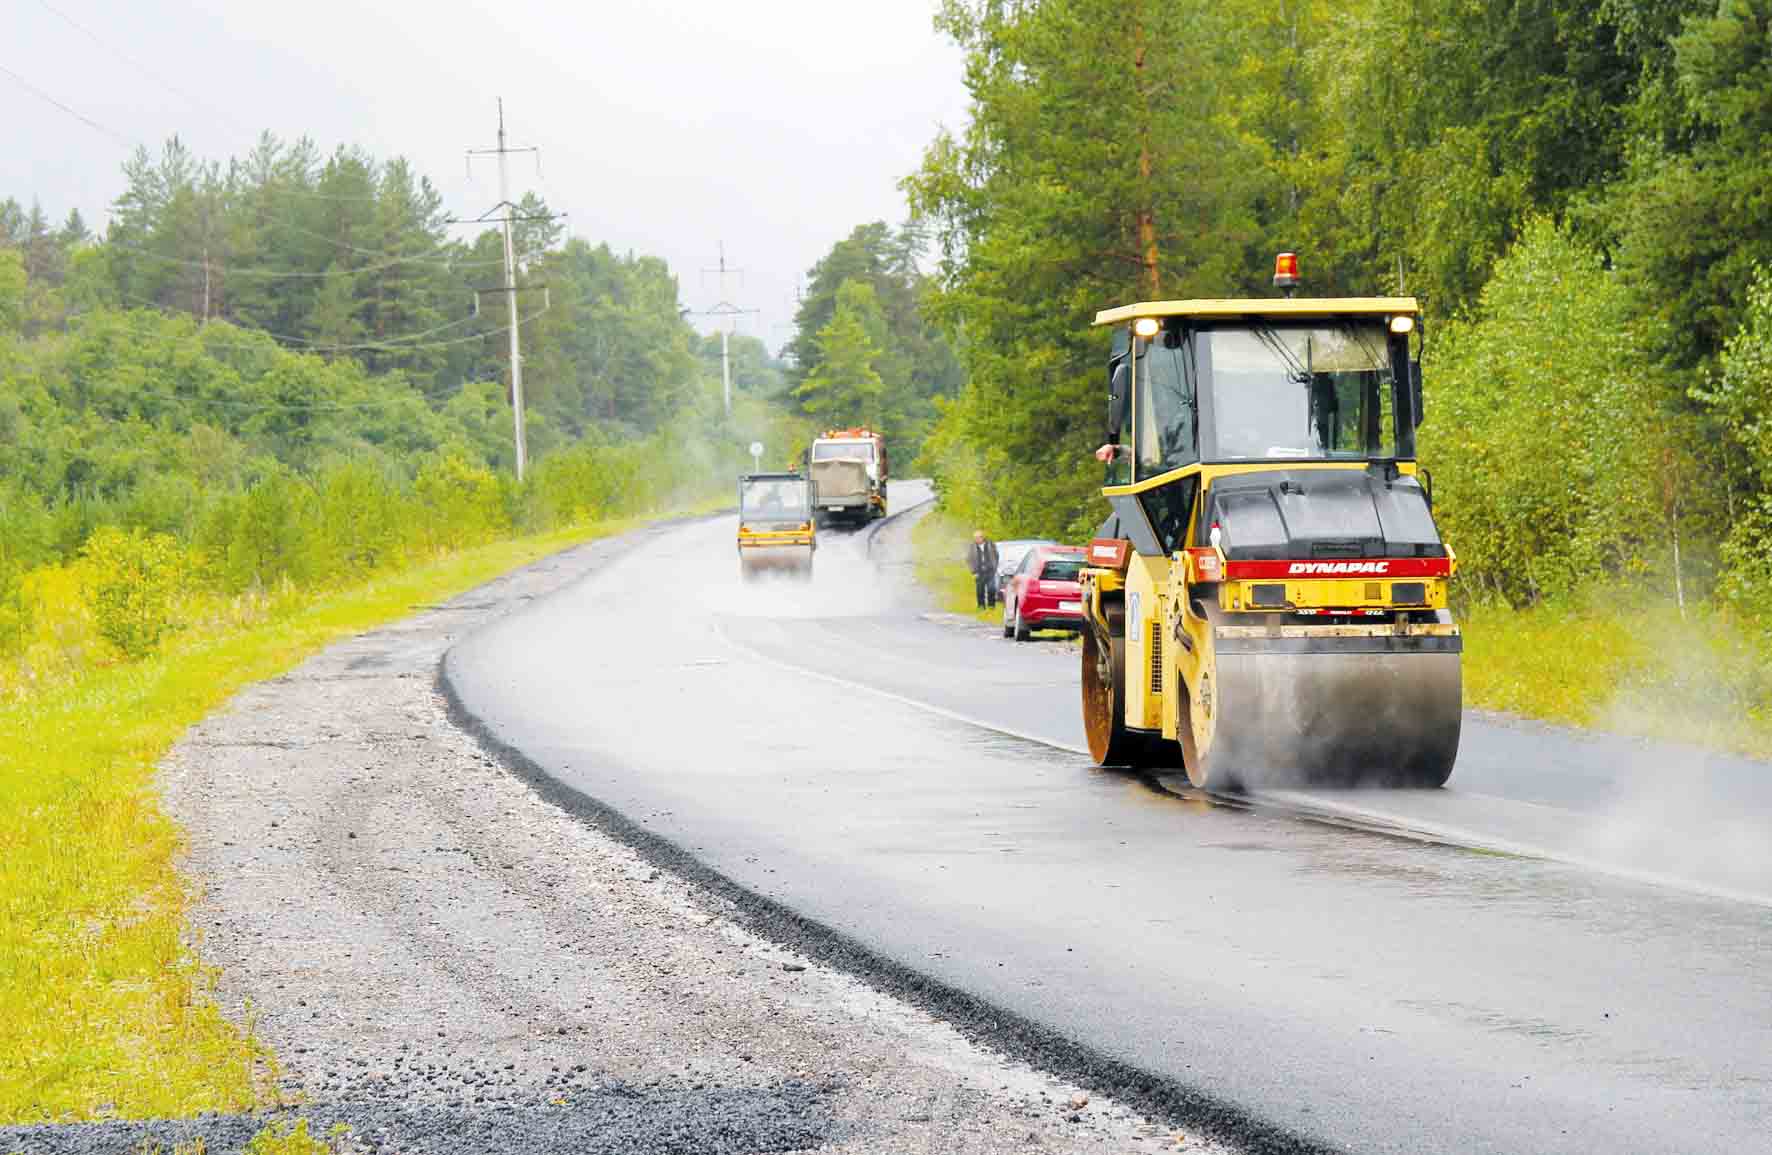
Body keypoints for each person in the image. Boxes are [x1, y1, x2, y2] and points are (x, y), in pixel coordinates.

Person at [967, 529, 1000, 610]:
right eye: (975, 538)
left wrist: (994, 566)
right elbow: (969, 560)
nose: (976, 539)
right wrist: (973, 572)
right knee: (980, 589)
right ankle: (981, 606)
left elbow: (996, 555)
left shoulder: (990, 544)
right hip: (978, 571)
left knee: (991, 588)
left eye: (978, 537)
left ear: (982, 537)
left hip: (990, 570)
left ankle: (991, 605)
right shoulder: (972, 546)